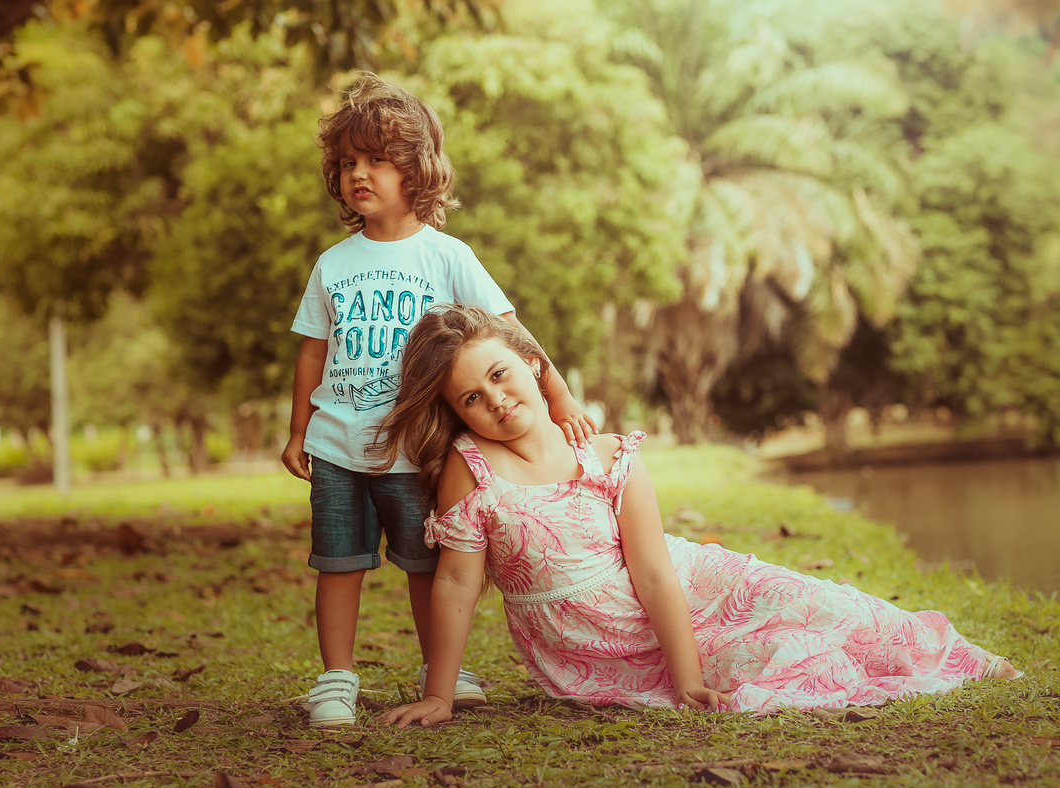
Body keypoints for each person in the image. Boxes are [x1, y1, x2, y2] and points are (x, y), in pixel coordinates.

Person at [373, 306, 1022, 728]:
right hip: (592, 651)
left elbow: (654, 571)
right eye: (472, 398)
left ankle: (955, 655)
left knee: (821, 612)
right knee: (766, 660)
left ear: (535, 366)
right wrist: (440, 692)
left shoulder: (604, 456)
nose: (497, 400)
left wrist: (686, 679)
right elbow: (456, 582)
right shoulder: (473, 468)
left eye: (501, 375)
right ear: (459, 413)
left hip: (686, 592)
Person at [281, 74, 596, 728]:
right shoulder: (332, 265)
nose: (357, 174)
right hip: (337, 447)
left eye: (375, 160)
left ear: (417, 171)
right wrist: (296, 431)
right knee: (339, 565)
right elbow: (312, 351)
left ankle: (439, 670)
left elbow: (510, 332)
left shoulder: (447, 256)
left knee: (427, 565)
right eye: (346, 164)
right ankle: (336, 680)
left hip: (417, 448)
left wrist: (558, 398)